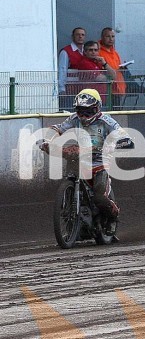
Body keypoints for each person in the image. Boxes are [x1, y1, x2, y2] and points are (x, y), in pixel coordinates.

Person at [39, 89, 135, 236]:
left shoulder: (106, 120)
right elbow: (58, 128)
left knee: (99, 197)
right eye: (80, 111)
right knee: (67, 173)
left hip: (100, 162)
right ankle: (76, 218)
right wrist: (47, 139)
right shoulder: (73, 119)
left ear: (97, 108)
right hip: (79, 159)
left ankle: (113, 218)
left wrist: (117, 143)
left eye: (88, 112)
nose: (83, 116)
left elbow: (124, 137)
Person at [58, 27, 87, 110]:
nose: (80, 37)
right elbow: (62, 70)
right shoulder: (66, 51)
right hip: (70, 89)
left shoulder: (87, 50)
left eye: (82, 35)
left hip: (83, 89)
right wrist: (61, 89)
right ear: (72, 36)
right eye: (78, 34)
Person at [98, 28, 128, 107]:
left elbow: (117, 68)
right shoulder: (98, 51)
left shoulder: (115, 53)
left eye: (113, 36)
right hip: (107, 90)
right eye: (108, 36)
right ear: (102, 37)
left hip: (118, 88)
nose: (111, 39)